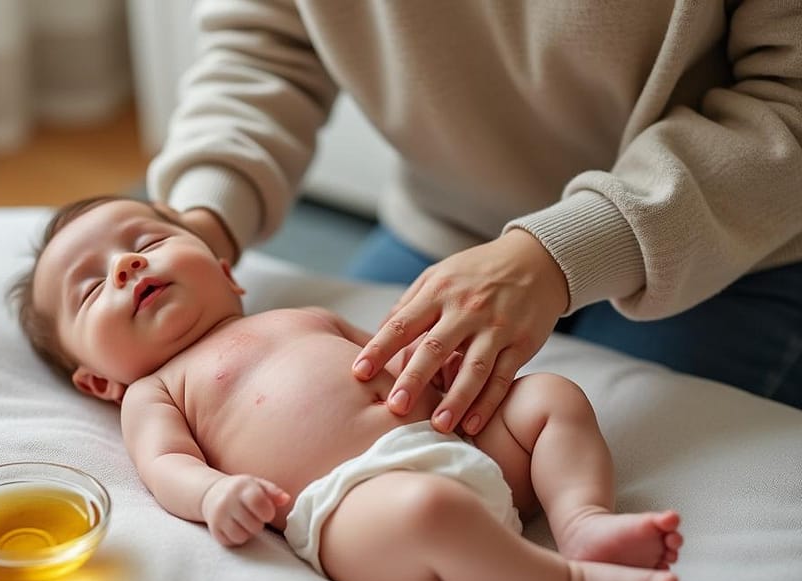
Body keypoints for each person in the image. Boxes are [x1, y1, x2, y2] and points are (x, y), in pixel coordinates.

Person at [10, 195, 684, 581]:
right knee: (431, 512)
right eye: (94, 287)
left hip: (459, 436)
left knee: (551, 399)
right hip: (360, 507)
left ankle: (583, 522)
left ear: (227, 270)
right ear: (97, 379)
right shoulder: (153, 389)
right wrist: (216, 492)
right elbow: (165, 466)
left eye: (147, 241)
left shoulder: (300, 315)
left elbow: (393, 350)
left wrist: (441, 367)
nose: (128, 265)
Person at [146, 1, 802, 437]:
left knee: (581, 477)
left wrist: (557, 255)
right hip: (452, 227)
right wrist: (205, 215)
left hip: (726, 244)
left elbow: (788, 100)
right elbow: (265, 44)